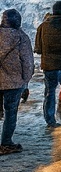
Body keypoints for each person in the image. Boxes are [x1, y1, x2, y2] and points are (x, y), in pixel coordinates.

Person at [0, 8, 34, 154]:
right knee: (10, 113)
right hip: (13, 82)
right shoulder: (21, 37)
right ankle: (6, 143)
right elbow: (27, 62)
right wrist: (25, 80)